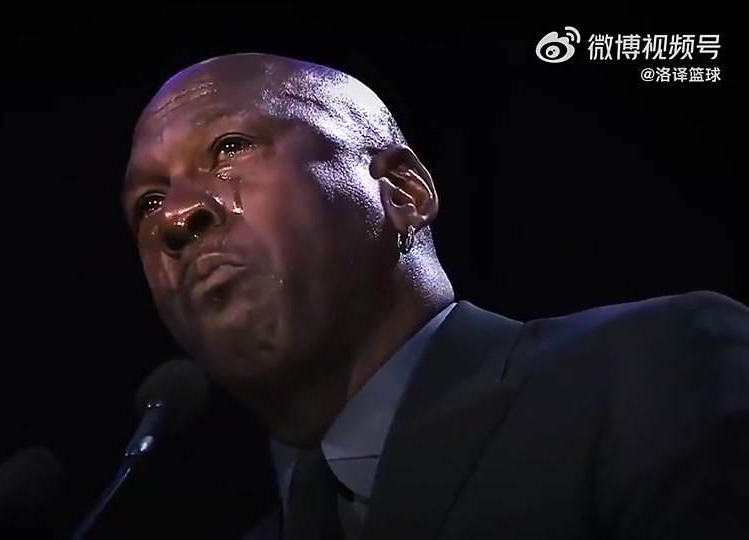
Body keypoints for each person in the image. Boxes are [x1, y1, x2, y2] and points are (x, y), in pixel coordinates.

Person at [120, 53, 749, 540]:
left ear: (403, 193)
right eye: (147, 203)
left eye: (230, 147)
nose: (174, 217)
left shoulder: (650, 373)